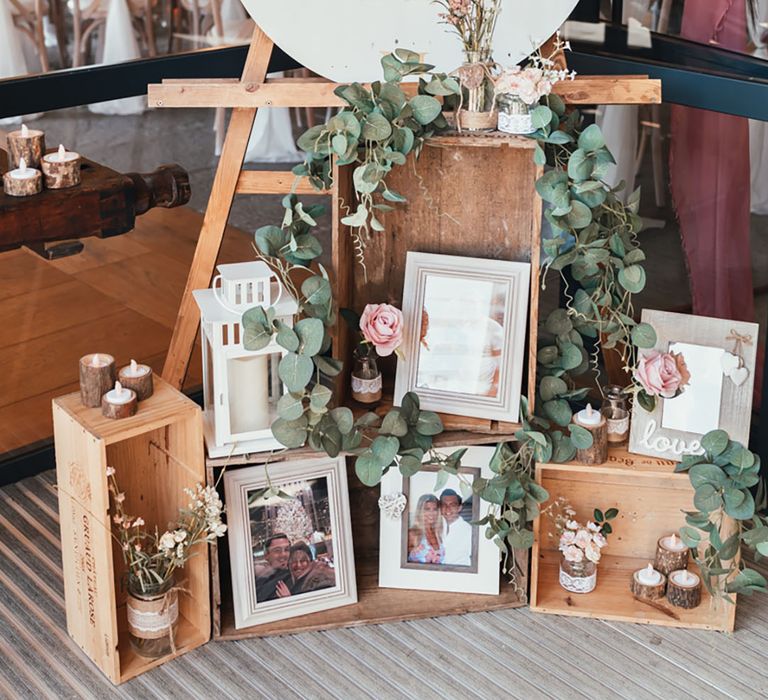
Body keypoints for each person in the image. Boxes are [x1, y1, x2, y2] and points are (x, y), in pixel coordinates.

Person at [407, 494, 444, 564]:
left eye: (435, 509)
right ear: (420, 511)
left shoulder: (439, 534)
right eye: (427, 509)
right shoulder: (413, 534)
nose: (431, 513)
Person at [254, 533, 291, 602]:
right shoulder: (258, 579)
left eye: (286, 549)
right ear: (266, 555)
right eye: (277, 550)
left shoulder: (293, 578)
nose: (283, 554)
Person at [440, 489, 472, 567]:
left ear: (459, 508)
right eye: (444, 505)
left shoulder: (469, 530)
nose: (448, 509)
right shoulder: (436, 526)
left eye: (452, 505)